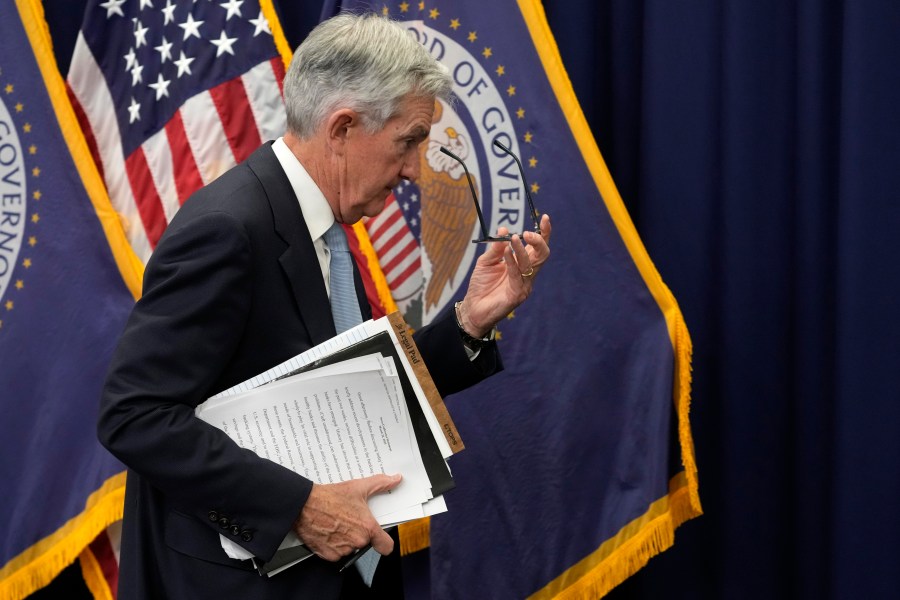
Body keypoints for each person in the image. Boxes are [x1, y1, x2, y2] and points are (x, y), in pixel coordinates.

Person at [98, 12, 551, 600]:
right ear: (341, 128)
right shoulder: (228, 229)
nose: (415, 170)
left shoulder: (323, 224)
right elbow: (134, 415)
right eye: (409, 141)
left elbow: (356, 390)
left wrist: (469, 321)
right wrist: (302, 505)